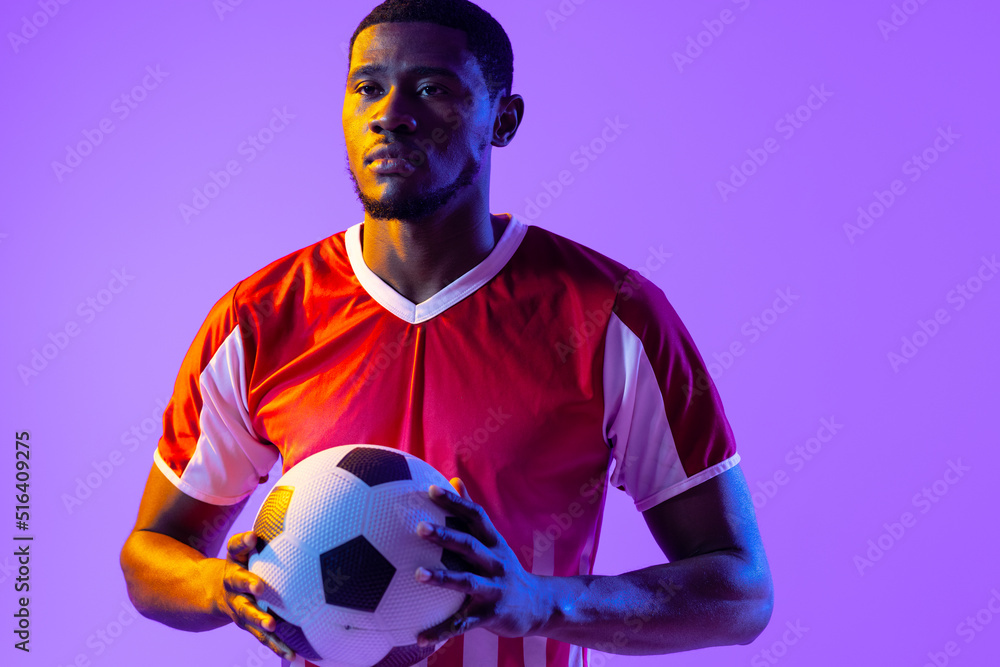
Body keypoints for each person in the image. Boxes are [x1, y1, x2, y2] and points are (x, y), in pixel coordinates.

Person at [119, 1, 774, 665]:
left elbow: (741, 594)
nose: (391, 114)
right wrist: (217, 586)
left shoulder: (609, 314)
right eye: (367, 87)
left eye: (432, 90)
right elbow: (149, 554)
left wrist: (541, 602)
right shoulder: (261, 316)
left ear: (504, 119)